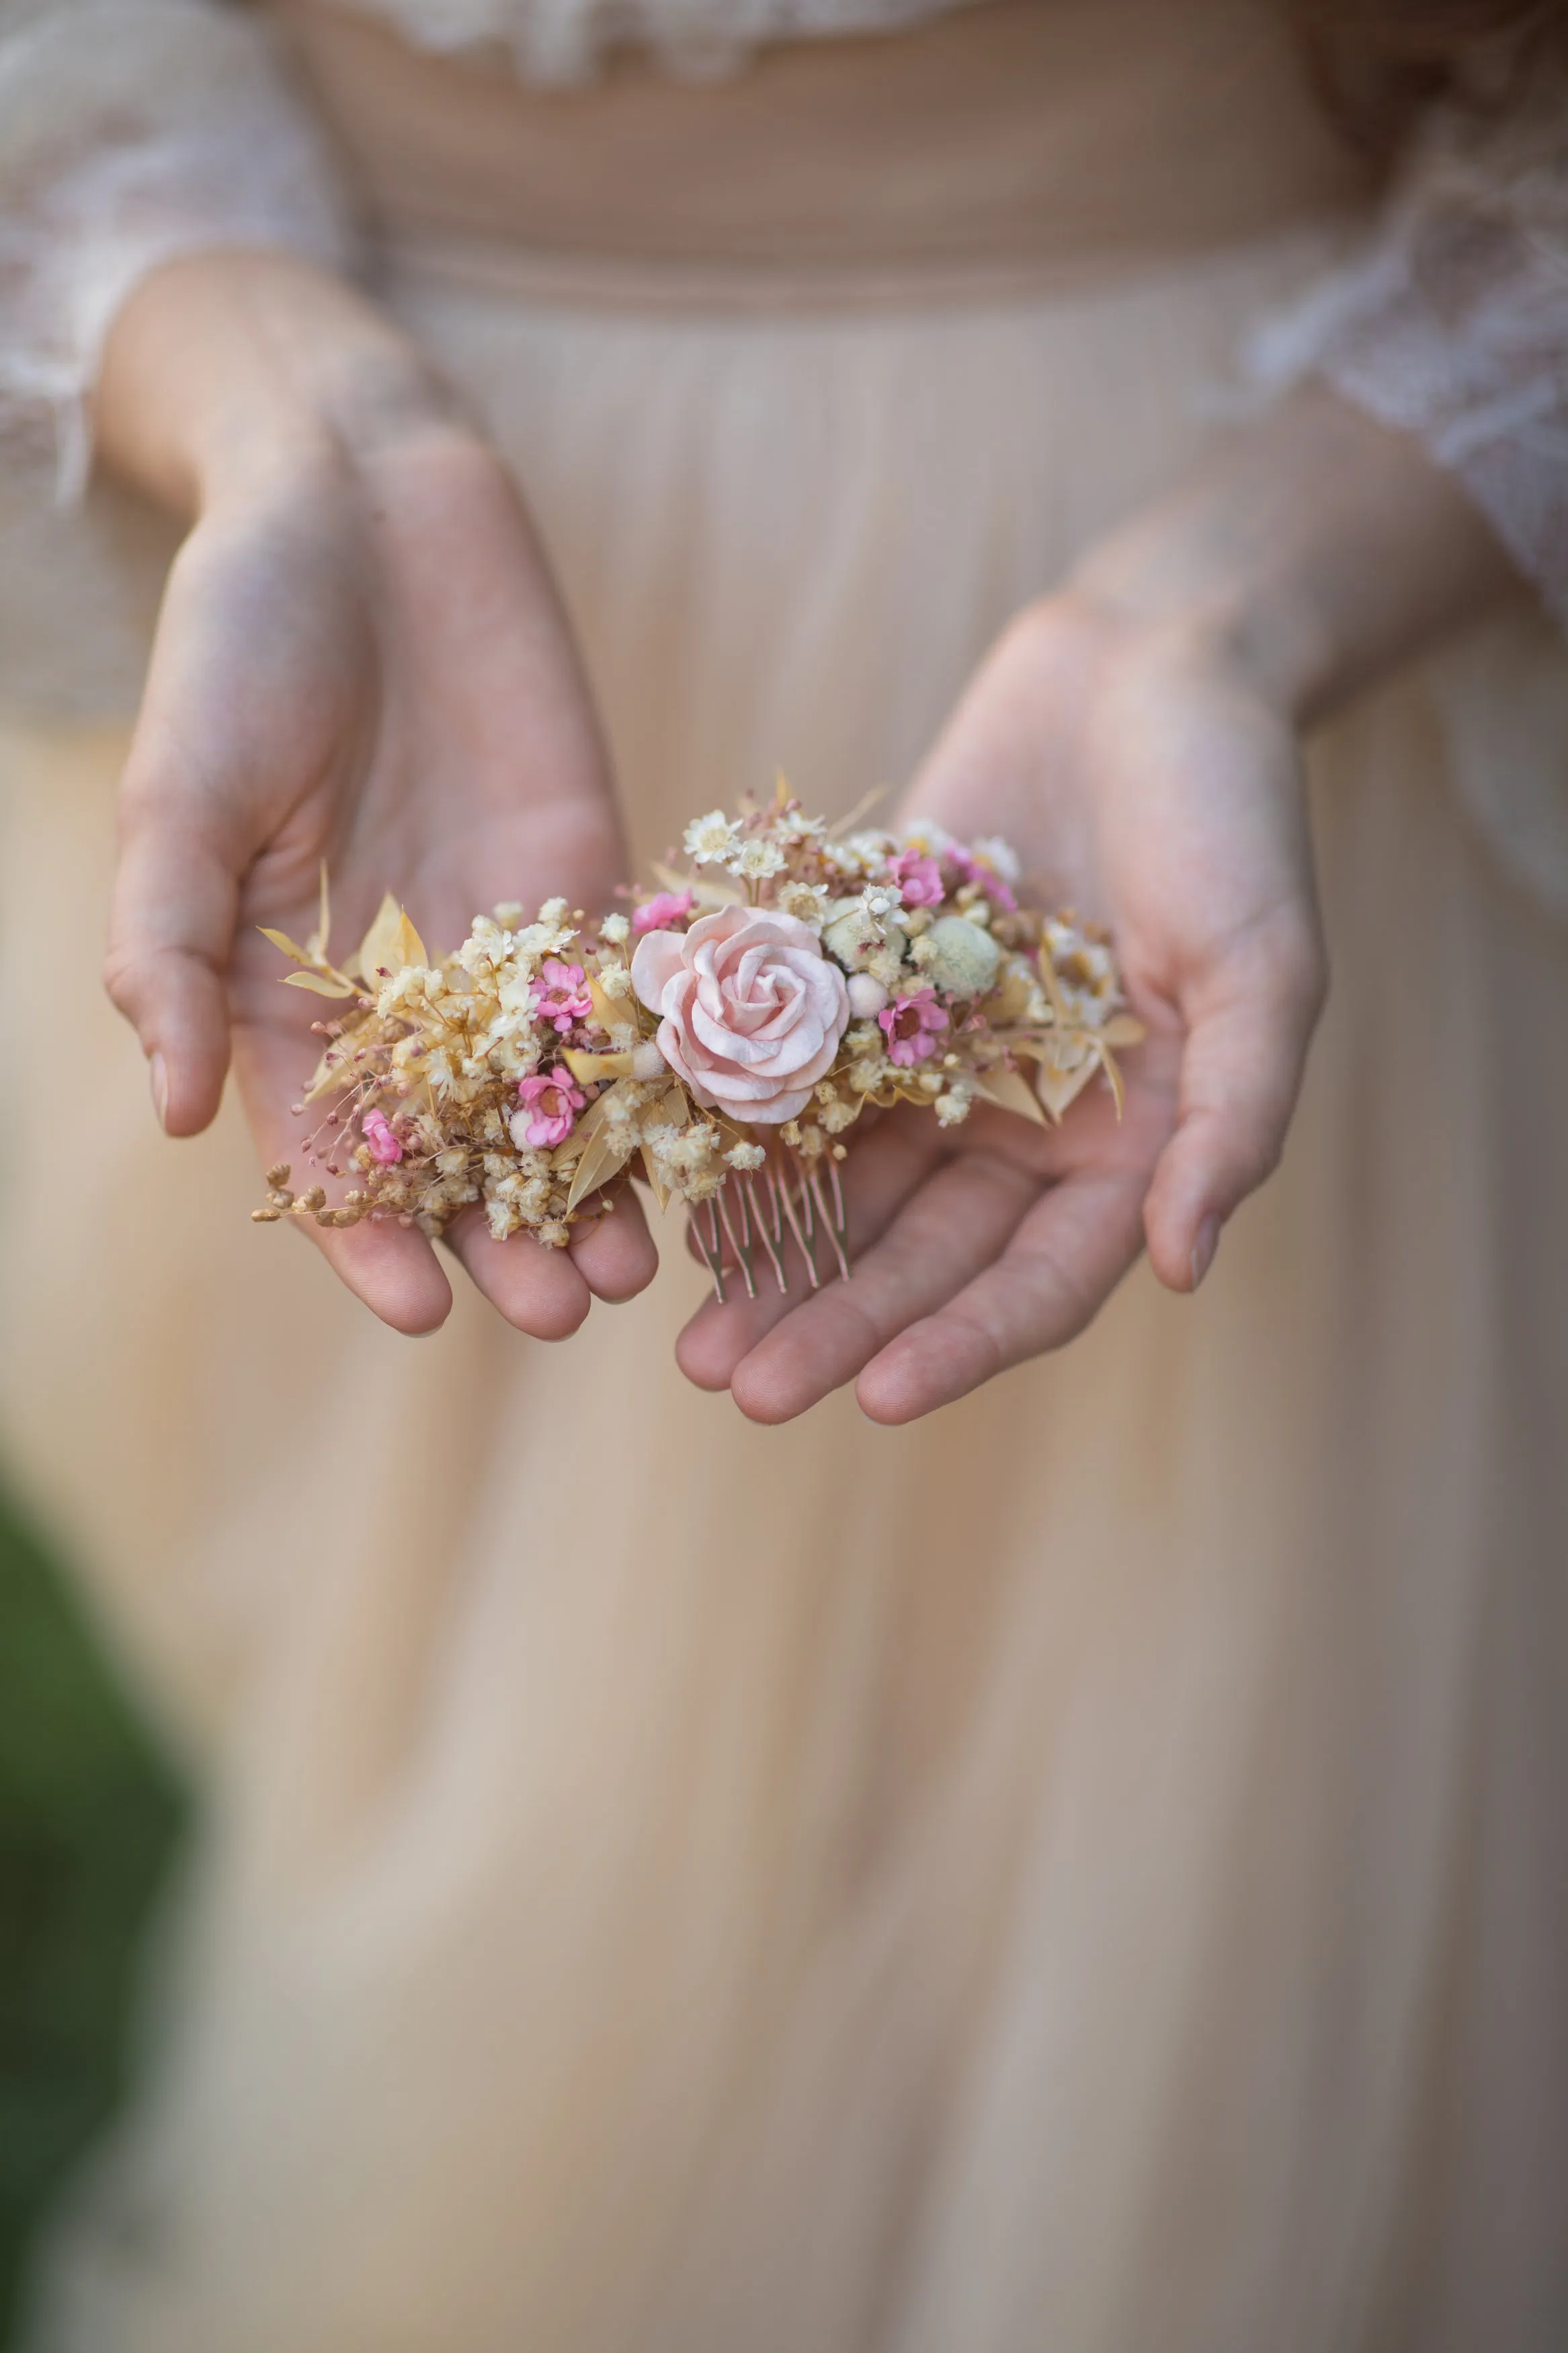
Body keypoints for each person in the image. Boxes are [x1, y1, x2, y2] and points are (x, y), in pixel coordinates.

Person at [0, 0, 1565, 2343]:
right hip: (352, 682)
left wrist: (1214, 611)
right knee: (506, 1851)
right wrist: (261, 388)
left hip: (1233, 608)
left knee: (1195, 1841)